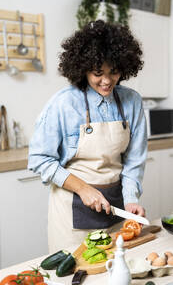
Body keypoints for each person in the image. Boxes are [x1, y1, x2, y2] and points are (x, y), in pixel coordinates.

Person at [28, 20, 147, 253]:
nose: (106, 81)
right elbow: (39, 159)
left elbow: (134, 160)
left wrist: (131, 198)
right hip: (72, 215)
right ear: (83, 68)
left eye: (114, 72)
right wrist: (83, 188)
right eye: (98, 73)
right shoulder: (64, 103)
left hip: (115, 209)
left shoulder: (132, 101)